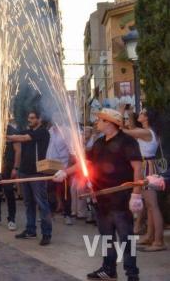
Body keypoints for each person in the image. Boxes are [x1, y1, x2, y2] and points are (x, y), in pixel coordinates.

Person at [53, 108, 142, 281]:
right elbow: (86, 163)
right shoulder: (99, 142)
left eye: (100, 120)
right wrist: (65, 172)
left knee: (126, 238)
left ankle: (132, 274)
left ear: (109, 122)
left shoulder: (127, 141)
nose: (97, 122)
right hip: (101, 197)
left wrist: (136, 194)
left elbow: (138, 168)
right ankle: (108, 269)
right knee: (106, 236)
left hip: (121, 197)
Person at [121, 107, 166, 252]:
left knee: (152, 206)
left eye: (142, 113)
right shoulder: (149, 131)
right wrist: (127, 114)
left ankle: (159, 241)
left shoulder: (146, 132)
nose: (139, 114)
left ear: (146, 118)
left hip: (147, 168)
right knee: (149, 206)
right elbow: (131, 129)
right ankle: (150, 237)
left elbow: (124, 132)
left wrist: (120, 113)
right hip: (148, 167)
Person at [7, 110, 52, 246]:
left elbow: (23, 138)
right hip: (25, 171)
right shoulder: (28, 131)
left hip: (37, 172)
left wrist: (10, 137)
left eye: (33, 118)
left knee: (42, 204)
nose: (30, 120)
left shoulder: (42, 132)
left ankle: (46, 234)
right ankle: (30, 230)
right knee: (28, 203)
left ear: (39, 119)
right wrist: (6, 136)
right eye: (29, 118)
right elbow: (17, 136)